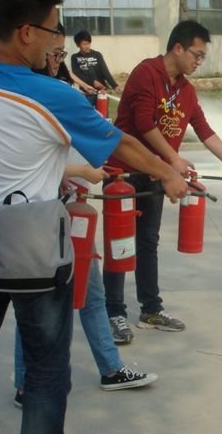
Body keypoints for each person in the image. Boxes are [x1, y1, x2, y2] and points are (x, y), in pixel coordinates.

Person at [0, 0, 187, 434]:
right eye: (53, 30)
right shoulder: (53, 94)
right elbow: (122, 145)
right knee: (48, 370)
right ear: (27, 32)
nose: (57, 41)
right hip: (32, 257)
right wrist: (170, 174)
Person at [104, 20, 222, 344]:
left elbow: (203, 129)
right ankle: (113, 312)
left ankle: (150, 309)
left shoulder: (186, 90)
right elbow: (143, 124)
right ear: (178, 48)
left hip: (156, 172)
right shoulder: (147, 73)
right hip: (123, 172)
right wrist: (173, 160)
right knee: (120, 242)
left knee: (147, 241)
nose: (199, 62)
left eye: (202, 57)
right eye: (197, 55)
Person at [13, 163, 158, 407]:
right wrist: (79, 171)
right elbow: (29, 163)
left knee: (93, 297)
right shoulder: (52, 124)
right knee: (35, 303)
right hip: (44, 218)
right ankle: (26, 384)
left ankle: (112, 371)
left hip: (73, 213)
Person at [70, 29, 121, 105]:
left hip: (101, 92)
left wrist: (114, 85)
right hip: (86, 94)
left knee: (103, 115)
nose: (87, 46)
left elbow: (105, 71)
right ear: (78, 45)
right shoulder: (74, 57)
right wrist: (92, 81)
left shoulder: (97, 55)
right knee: (88, 115)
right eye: (84, 44)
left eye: (88, 43)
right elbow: (77, 74)